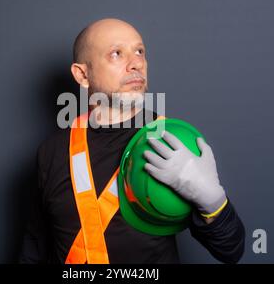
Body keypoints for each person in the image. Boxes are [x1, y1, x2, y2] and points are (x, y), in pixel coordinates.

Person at [19, 18, 245, 264]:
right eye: (116, 54)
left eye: (140, 51)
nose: (136, 63)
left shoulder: (171, 141)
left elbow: (231, 250)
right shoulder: (51, 152)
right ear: (82, 75)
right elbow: (34, 250)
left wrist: (212, 200)